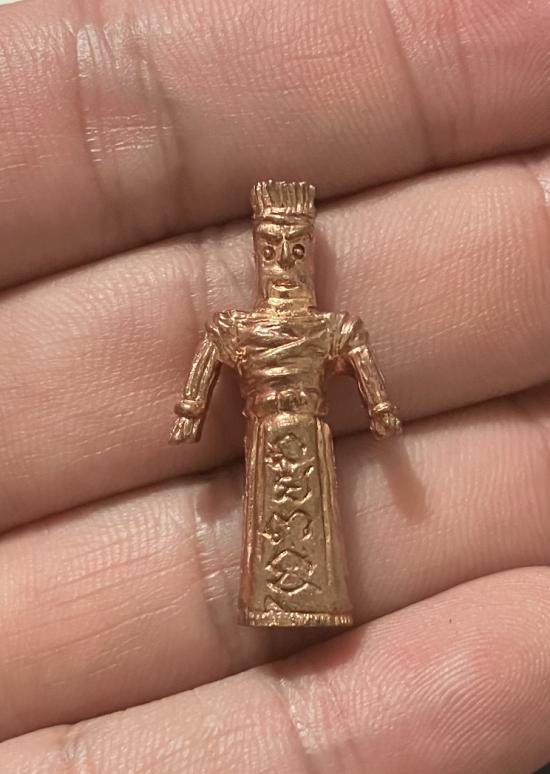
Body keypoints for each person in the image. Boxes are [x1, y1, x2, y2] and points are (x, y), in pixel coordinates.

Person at [0, 0, 549, 771]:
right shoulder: (241, 326)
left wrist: (381, 407)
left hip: (306, 434)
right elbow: (208, 362)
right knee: (278, 520)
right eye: (275, 247)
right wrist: (190, 413)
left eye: (296, 246)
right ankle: (277, 597)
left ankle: (307, 597)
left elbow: (362, 366)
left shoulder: (331, 325)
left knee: (308, 522)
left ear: (307, 251)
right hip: (268, 436)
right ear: (261, 254)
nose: (285, 258)